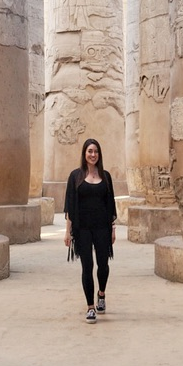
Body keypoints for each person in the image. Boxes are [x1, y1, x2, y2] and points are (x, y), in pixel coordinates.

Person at [64, 137, 117, 323]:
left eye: (95, 151)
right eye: (90, 151)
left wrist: (112, 228)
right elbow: (70, 206)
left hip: (102, 227)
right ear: (84, 154)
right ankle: (90, 307)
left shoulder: (106, 176)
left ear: (99, 154)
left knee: (103, 265)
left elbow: (110, 205)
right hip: (82, 228)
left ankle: (101, 294)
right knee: (87, 267)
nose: (93, 154)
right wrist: (67, 232)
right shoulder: (75, 176)